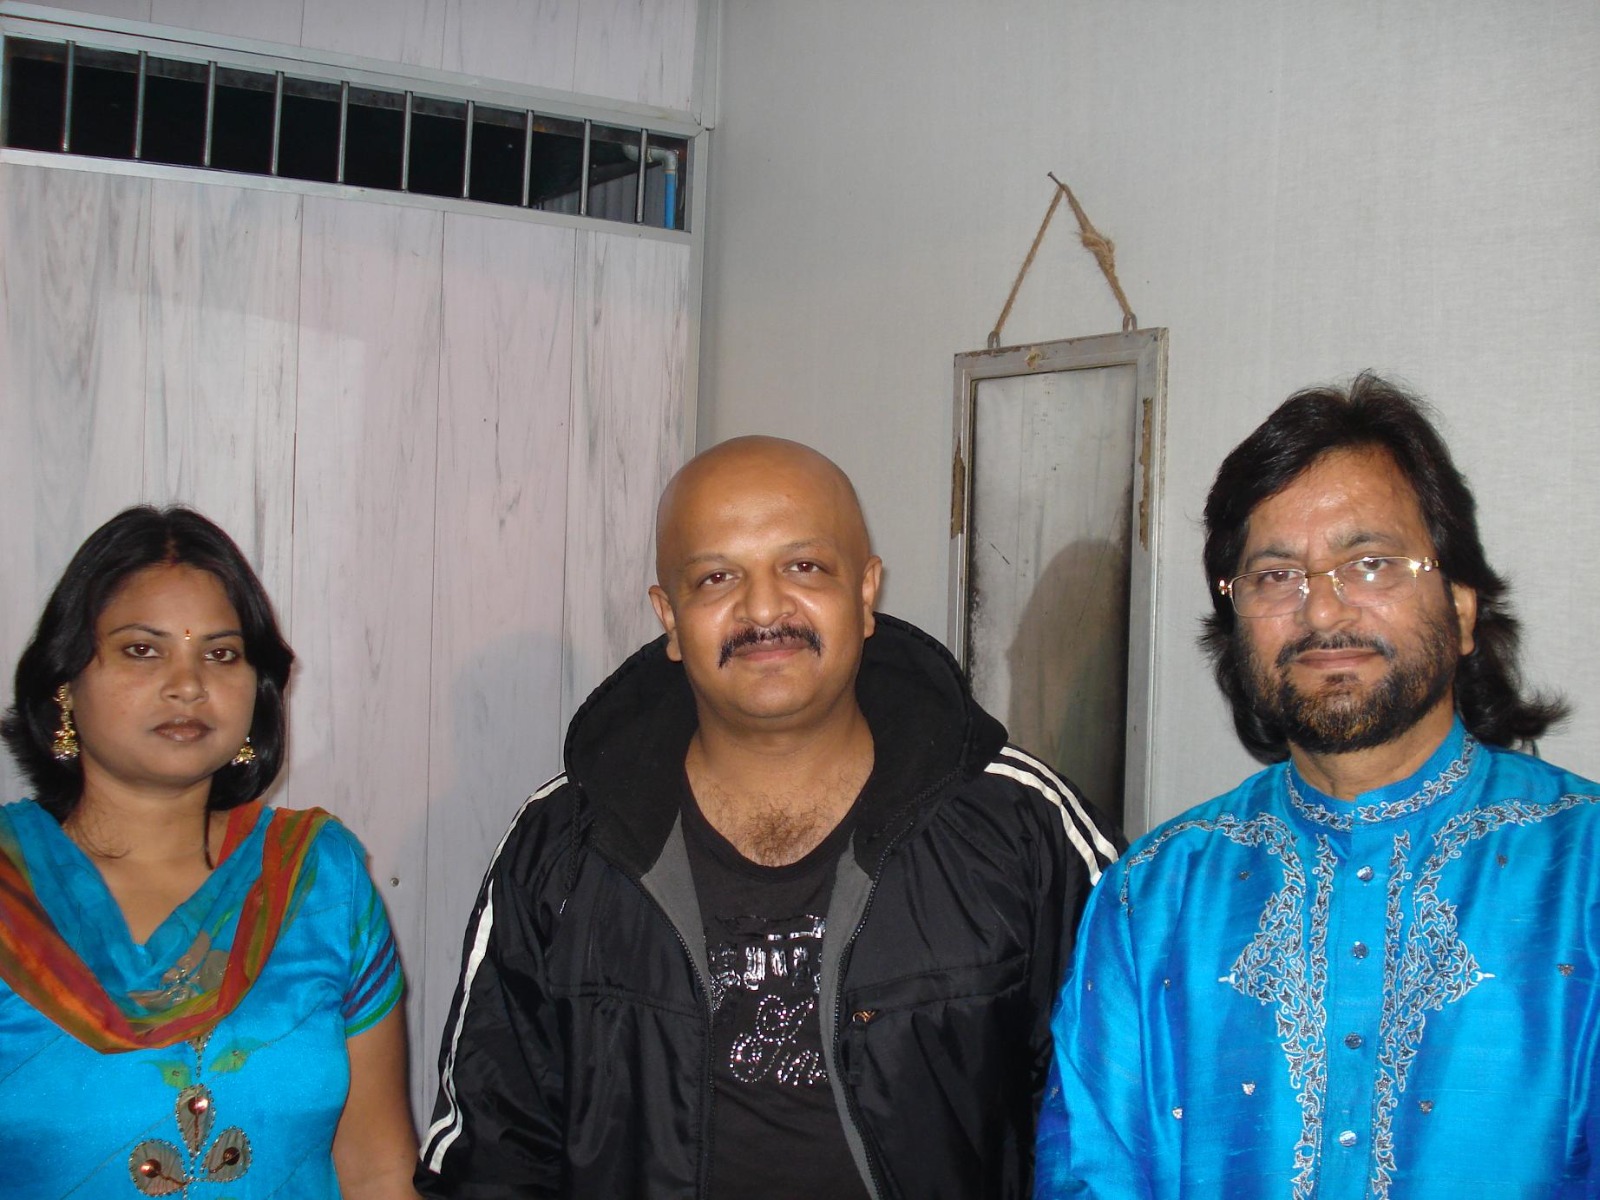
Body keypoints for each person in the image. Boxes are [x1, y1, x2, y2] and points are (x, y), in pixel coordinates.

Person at [415, 435, 1118, 1199]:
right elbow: (494, 1153)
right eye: (716, 578)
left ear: (866, 592)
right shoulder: (562, 846)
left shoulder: (1020, 826)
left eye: (804, 567)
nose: (763, 608)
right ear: (670, 618)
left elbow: (1115, 1123)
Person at [1034, 373, 1597, 1197]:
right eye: (1275, 576)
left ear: (1463, 609)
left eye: (1370, 564)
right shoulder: (1152, 896)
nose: (1323, 612)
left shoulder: (1583, 872)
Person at [0, 505, 420, 1199]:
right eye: (143, 650)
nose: (188, 685)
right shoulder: (11, 892)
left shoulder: (318, 880)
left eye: (221, 654)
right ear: (64, 684)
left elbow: (378, 1169)